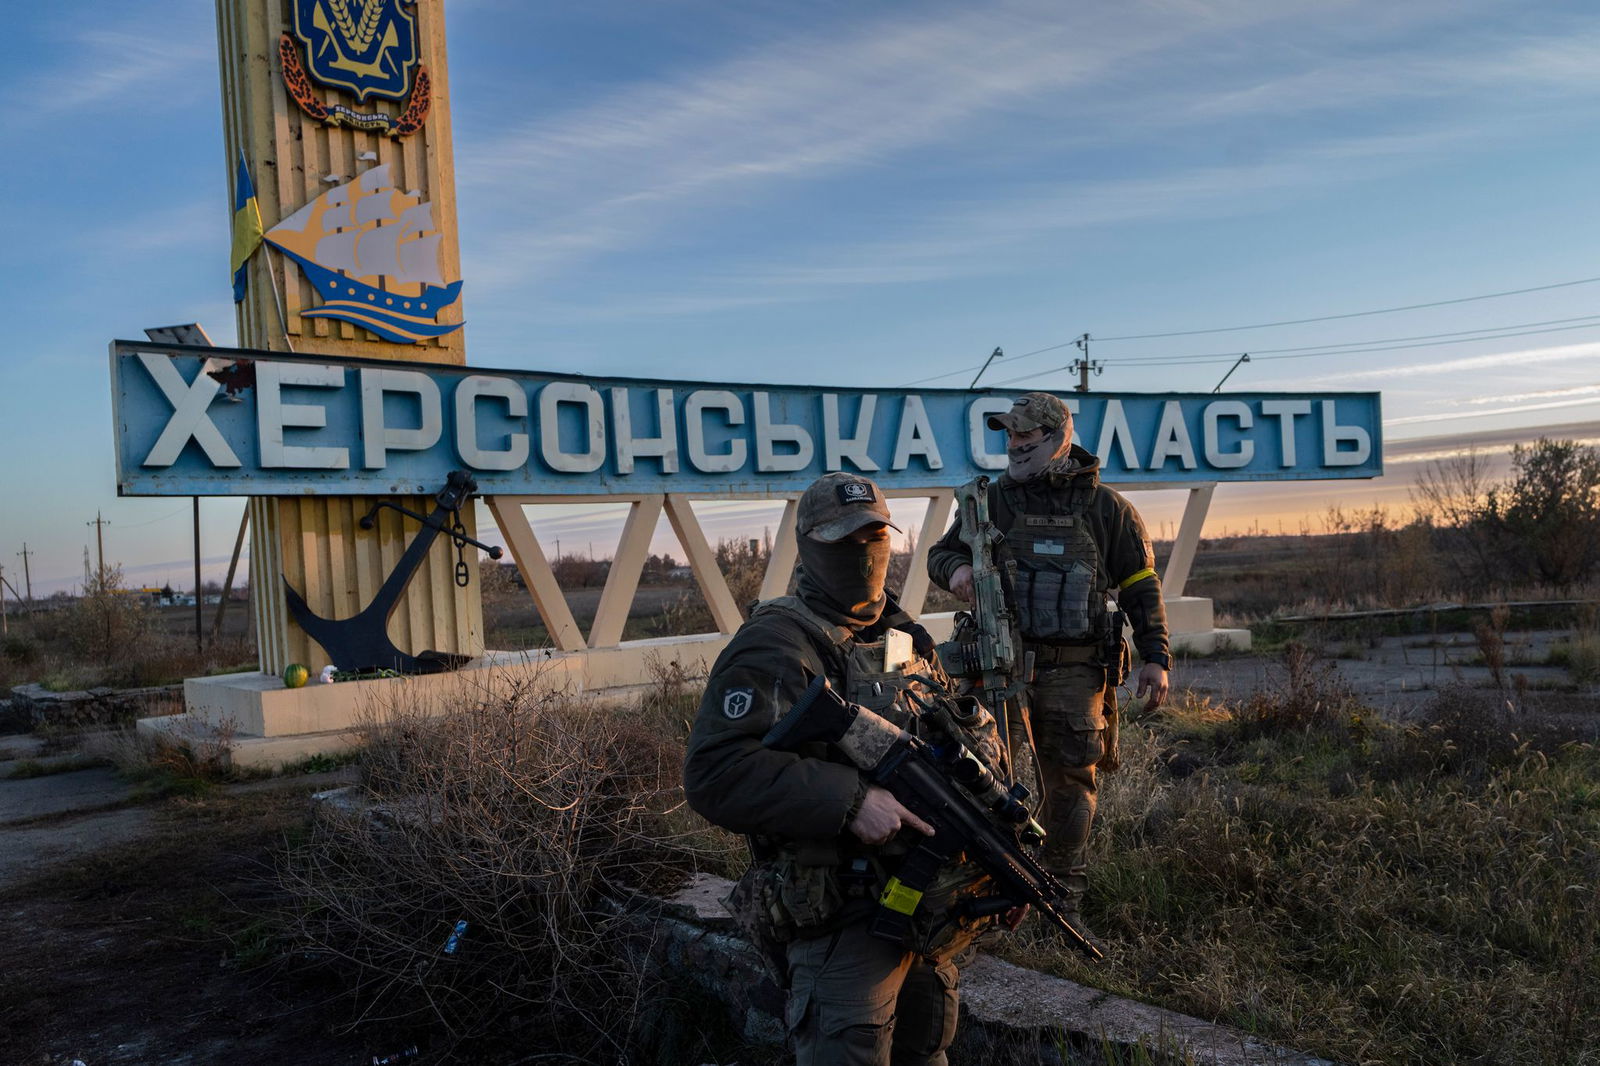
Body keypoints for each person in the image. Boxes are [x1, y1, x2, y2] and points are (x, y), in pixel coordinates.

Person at [684, 472, 999, 1066]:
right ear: (807, 546)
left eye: (874, 537)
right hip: (842, 922)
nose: (864, 554)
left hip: (920, 916)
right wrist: (850, 800)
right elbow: (715, 770)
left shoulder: (905, 636)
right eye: (843, 541)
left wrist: (990, 874)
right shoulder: (777, 644)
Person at [926, 391, 1170, 946]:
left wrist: (1155, 656)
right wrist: (957, 570)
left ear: (1060, 438)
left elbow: (1140, 586)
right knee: (988, 783)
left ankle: (1062, 901)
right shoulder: (987, 503)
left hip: (1074, 671)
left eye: (1025, 437)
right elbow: (940, 555)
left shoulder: (1107, 509)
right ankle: (988, 902)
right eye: (1008, 436)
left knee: (1069, 787)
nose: (1013, 447)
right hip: (997, 667)